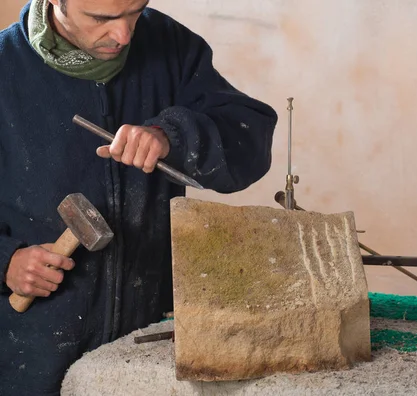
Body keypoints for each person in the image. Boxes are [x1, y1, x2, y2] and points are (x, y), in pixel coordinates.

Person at [0, 0, 278, 394]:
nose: (125, 35)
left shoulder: (172, 46)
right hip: (30, 354)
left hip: (146, 344)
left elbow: (250, 140)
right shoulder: (5, 69)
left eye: (135, 11)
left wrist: (173, 137)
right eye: (101, 18)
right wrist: (7, 261)